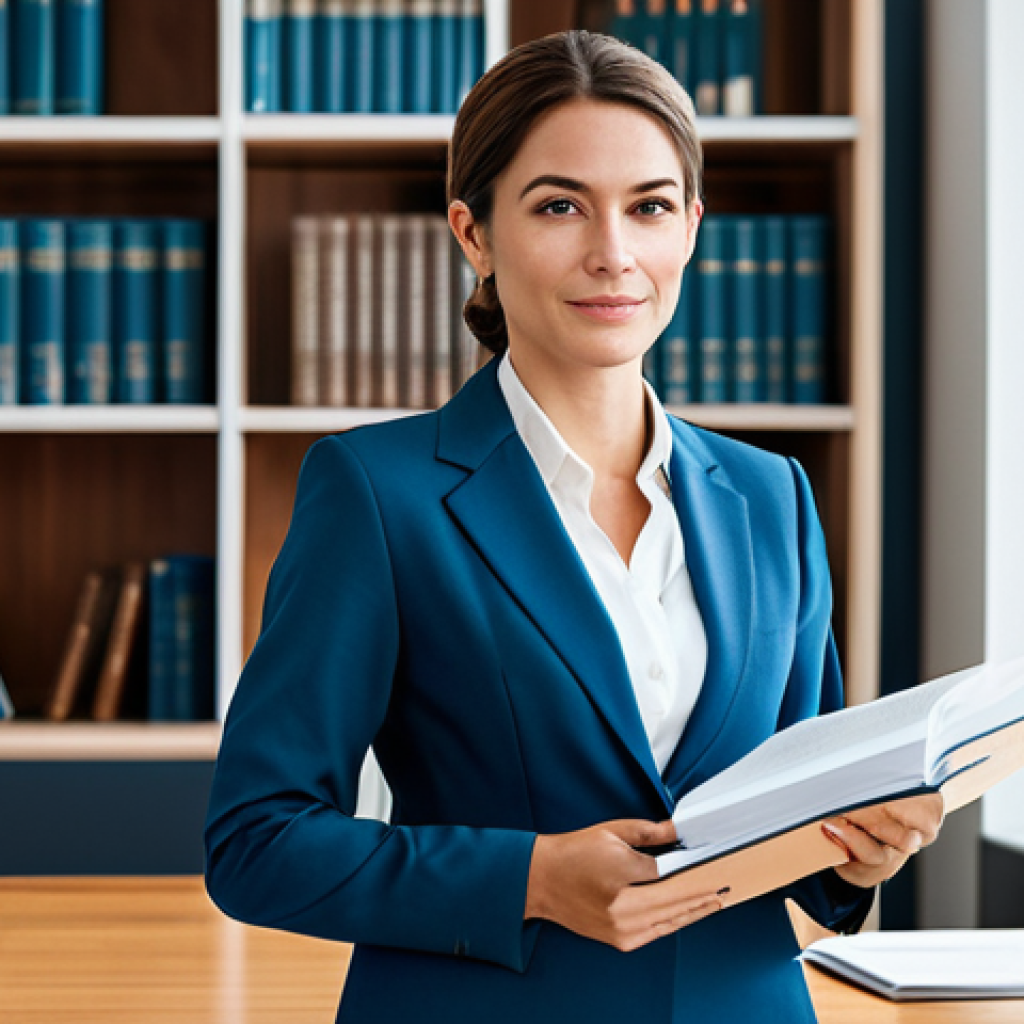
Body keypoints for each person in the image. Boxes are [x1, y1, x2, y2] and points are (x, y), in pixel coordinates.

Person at [204, 30, 943, 1024]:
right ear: (472, 233)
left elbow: (801, 831)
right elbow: (256, 843)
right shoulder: (377, 492)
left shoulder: (773, 495)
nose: (613, 253)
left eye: (649, 207)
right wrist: (533, 879)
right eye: (560, 206)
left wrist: (863, 846)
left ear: (690, 226)